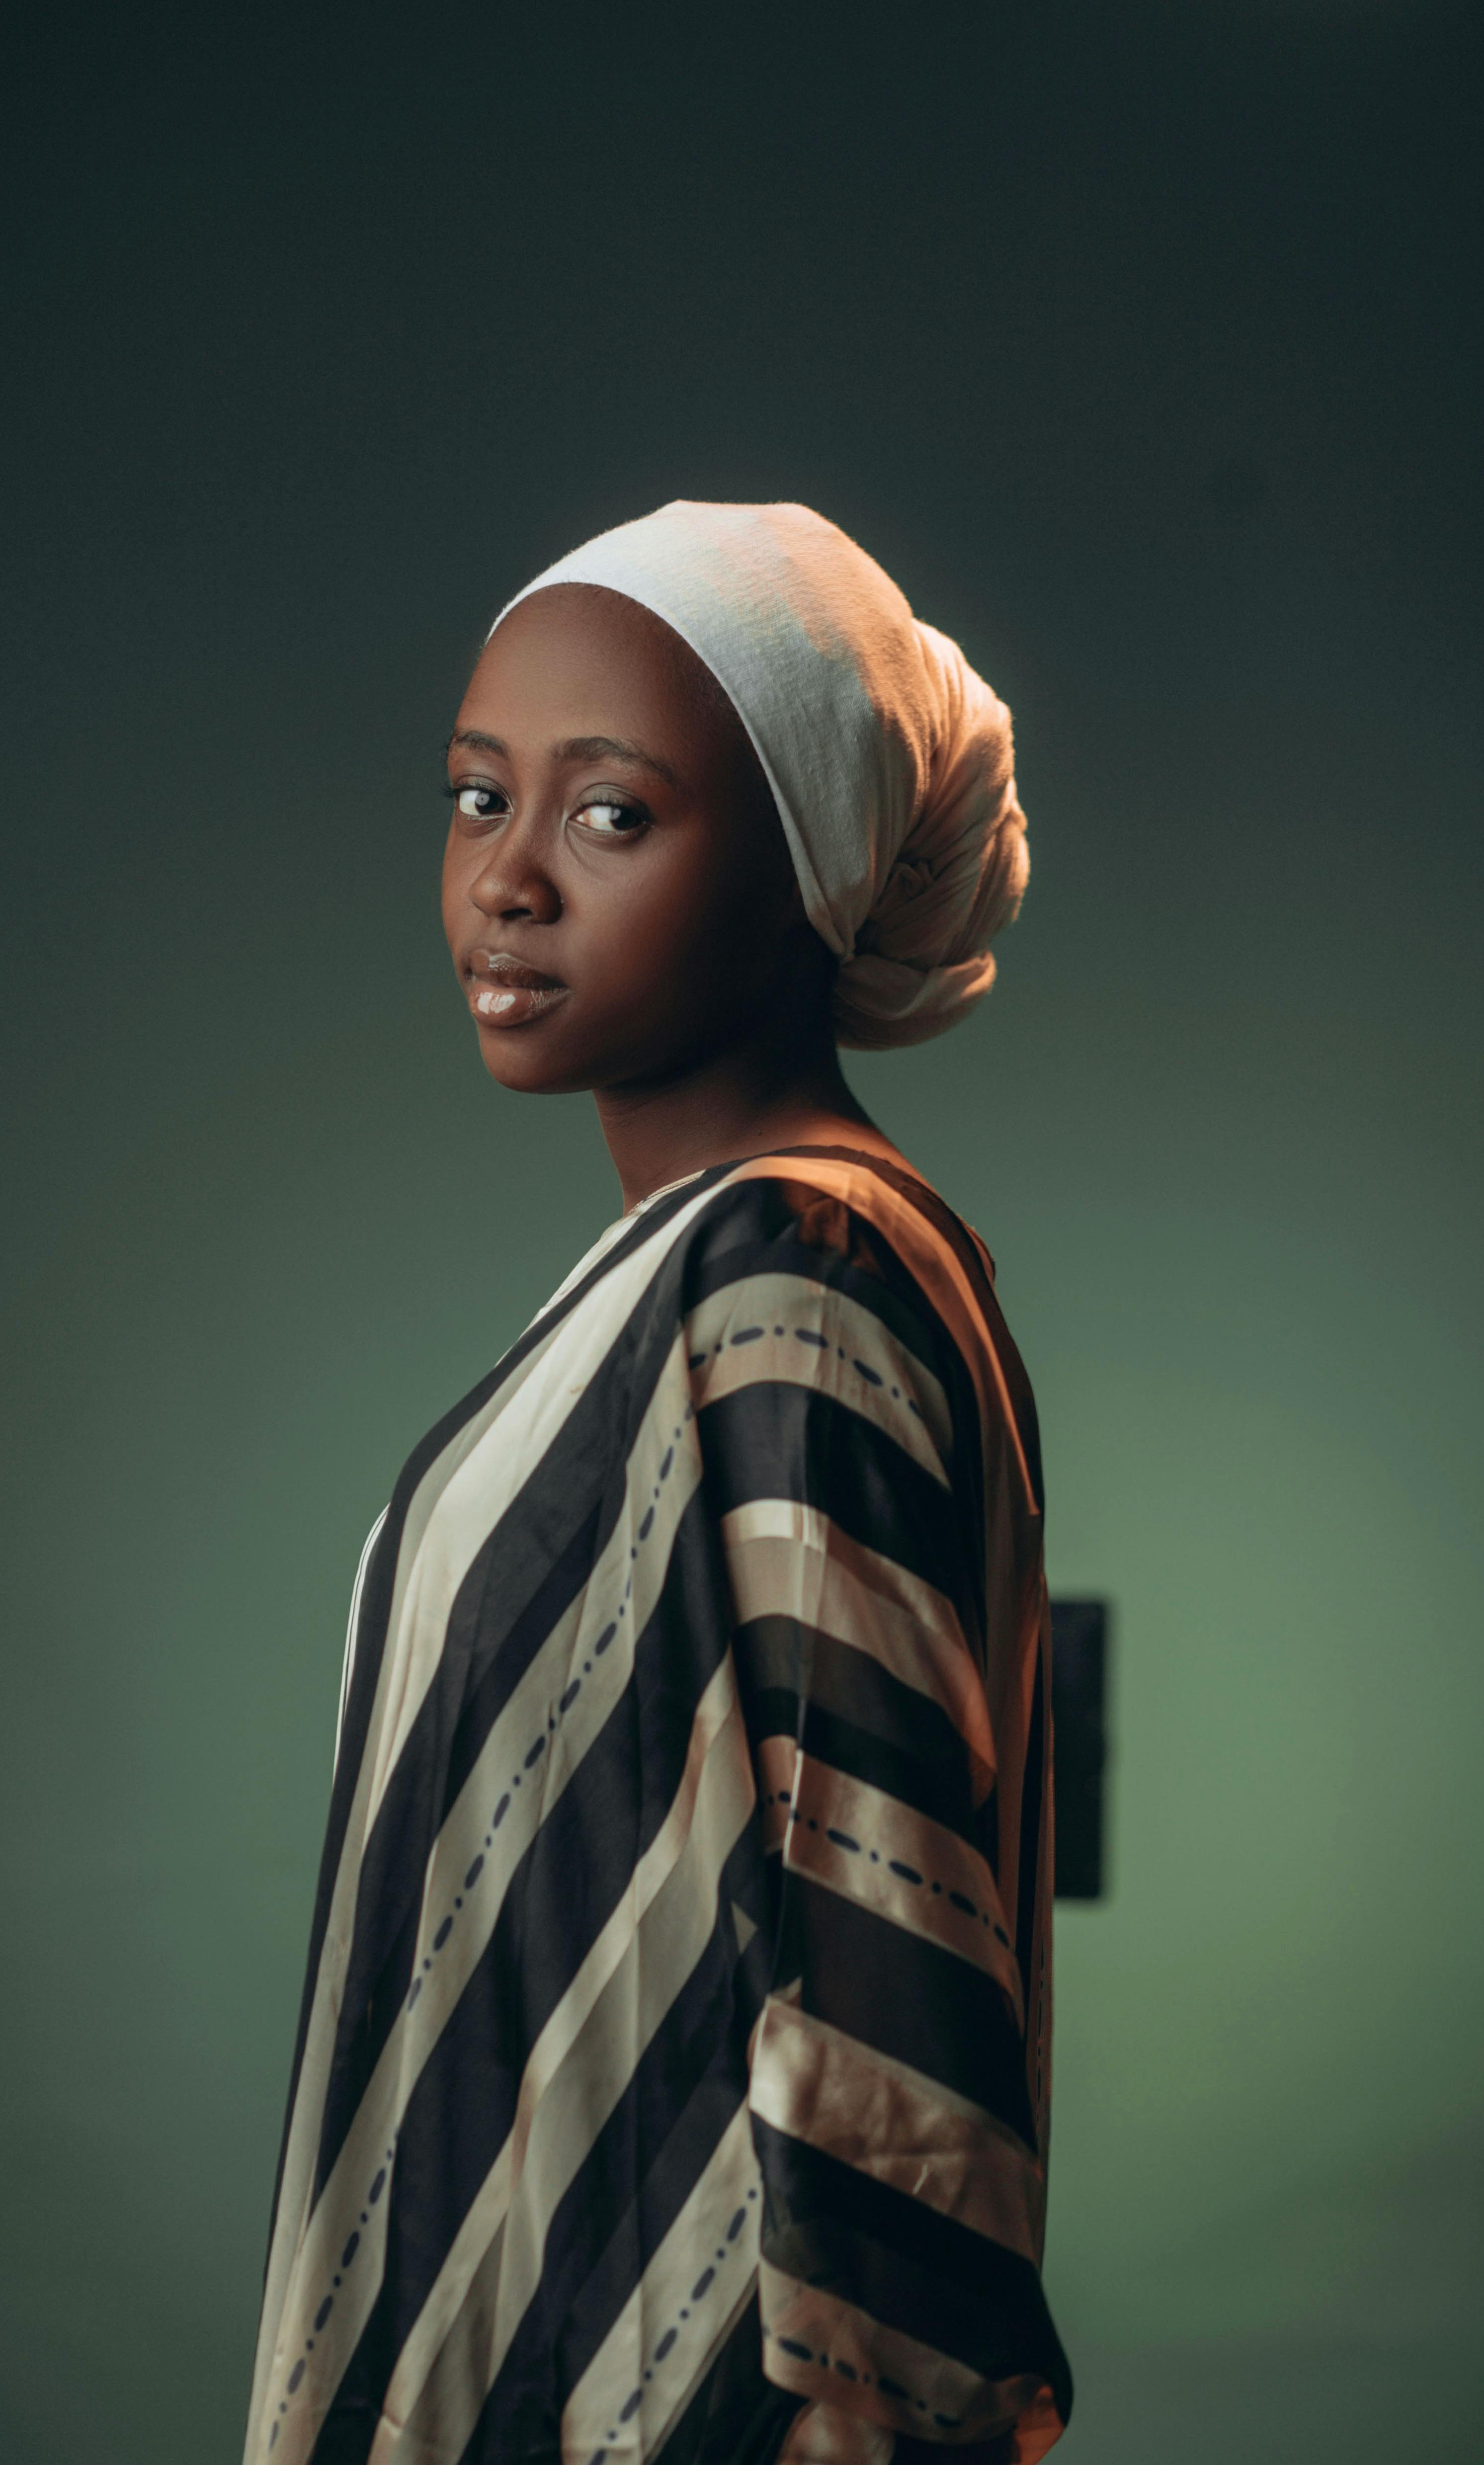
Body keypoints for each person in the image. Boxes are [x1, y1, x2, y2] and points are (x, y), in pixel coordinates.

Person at [243, 502, 1072, 2465]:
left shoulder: (788, 1271)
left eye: (611, 813)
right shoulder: (721, 1267)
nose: (509, 880)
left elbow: (863, 1976)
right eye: (476, 798)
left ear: (809, 869)